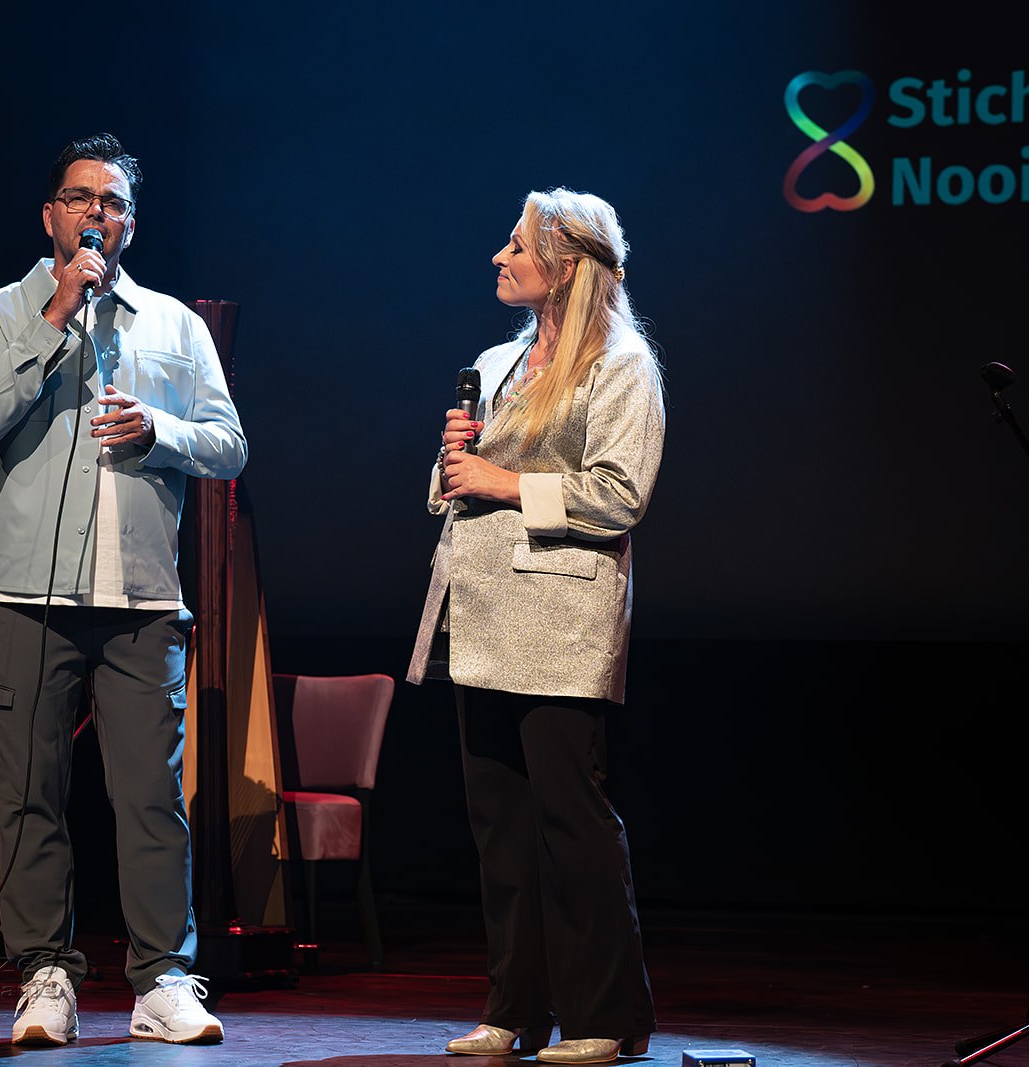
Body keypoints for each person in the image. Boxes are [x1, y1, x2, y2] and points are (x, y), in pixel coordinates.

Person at [0, 133, 246, 1047]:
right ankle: (45, 975)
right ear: (51, 215)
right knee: (29, 793)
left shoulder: (175, 324)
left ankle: (163, 979)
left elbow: (229, 443)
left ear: (129, 223)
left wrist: (160, 429)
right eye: (81, 198)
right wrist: (55, 314)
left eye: (113, 202)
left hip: (141, 598)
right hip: (23, 595)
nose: (97, 213)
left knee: (152, 798)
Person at [407, 188, 664, 1064]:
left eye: (516, 245)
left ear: (563, 266)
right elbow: (455, 488)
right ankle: (515, 1007)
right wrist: (453, 462)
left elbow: (620, 494)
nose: (500, 257)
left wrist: (502, 480)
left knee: (570, 821)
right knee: (500, 827)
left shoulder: (621, 363)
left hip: (558, 620)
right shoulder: (498, 359)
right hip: (478, 611)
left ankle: (608, 1014)